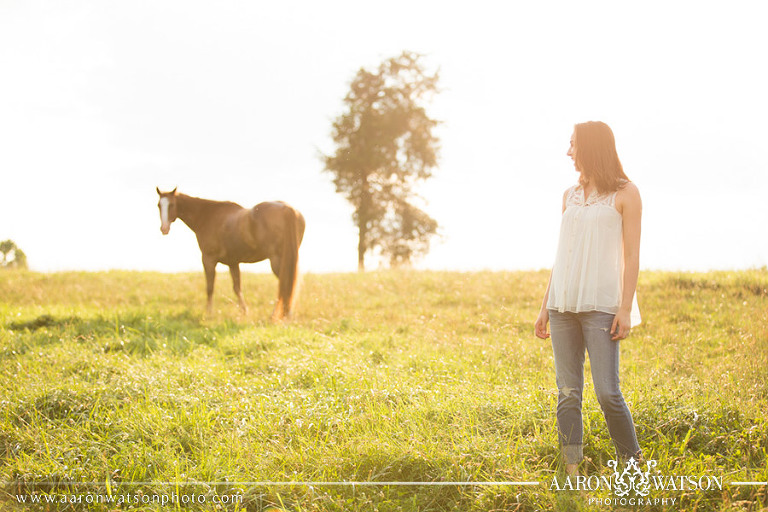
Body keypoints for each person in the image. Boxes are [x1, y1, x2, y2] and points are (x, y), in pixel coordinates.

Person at [534, 121, 643, 476]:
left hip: (601, 306)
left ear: (591, 147)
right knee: (567, 392)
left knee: (608, 393)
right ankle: (572, 471)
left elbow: (631, 256)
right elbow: (562, 254)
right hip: (562, 304)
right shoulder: (569, 195)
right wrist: (544, 308)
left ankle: (632, 466)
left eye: (573, 145)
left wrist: (624, 308)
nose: (568, 152)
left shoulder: (627, 194)